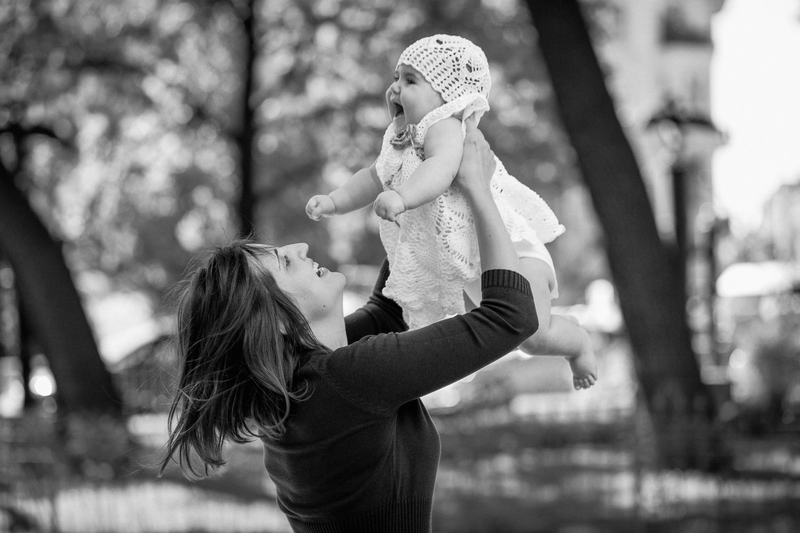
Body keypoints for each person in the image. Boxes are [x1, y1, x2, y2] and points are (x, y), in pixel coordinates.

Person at [160, 118, 543, 532]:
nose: (300, 246)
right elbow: (511, 316)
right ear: (276, 321)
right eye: (284, 262)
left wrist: (414, 181)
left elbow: (392, 307)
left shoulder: (303, 384)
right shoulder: (347, 380)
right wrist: (477, 188)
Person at [306, 34, 597, 389]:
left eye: (410, 81)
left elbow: (439, 170)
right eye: (396, 78)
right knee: (494, 336)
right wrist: (335, 202)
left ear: (448, 96)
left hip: (514, 253)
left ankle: (578, 343)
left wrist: (401, 197)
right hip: (473, 264)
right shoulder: (400, 137)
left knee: (533, 335)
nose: (395, 88)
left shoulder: (444, 127)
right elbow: (371, 177)